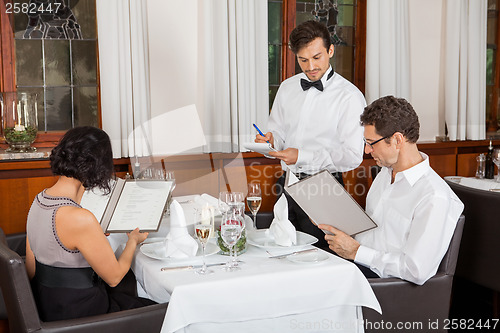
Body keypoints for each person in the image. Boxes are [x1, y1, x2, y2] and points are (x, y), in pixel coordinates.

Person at [318, 96, 464, 285]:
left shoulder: (434, 196)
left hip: (386, 287)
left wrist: (356, 251)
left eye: (371, 143)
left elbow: (416, 269)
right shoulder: (385, 175)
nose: (367, 150)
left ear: (397, 140)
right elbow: (373, 234)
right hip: (357, 268)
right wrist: (331, 220)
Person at [25, 126, 156, 321]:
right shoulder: (79, 218)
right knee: (161, 308)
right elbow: (114, 278)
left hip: (49, 309)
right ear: (97, 165)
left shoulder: (38, 201)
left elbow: (31, 268)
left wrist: (88, 242)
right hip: (83, 315)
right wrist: (133, 241)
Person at [255, 20, 365, 248]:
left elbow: (353, 156)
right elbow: (278, 132)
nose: (310, 66)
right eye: (303, 60)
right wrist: (271, 140)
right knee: (282, 252)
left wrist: (302, 155)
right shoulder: (287, 88)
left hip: (325, 188)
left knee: (323, 259)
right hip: (287, 183)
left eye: (317, 57)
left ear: (331, 50)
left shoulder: (349, 97)